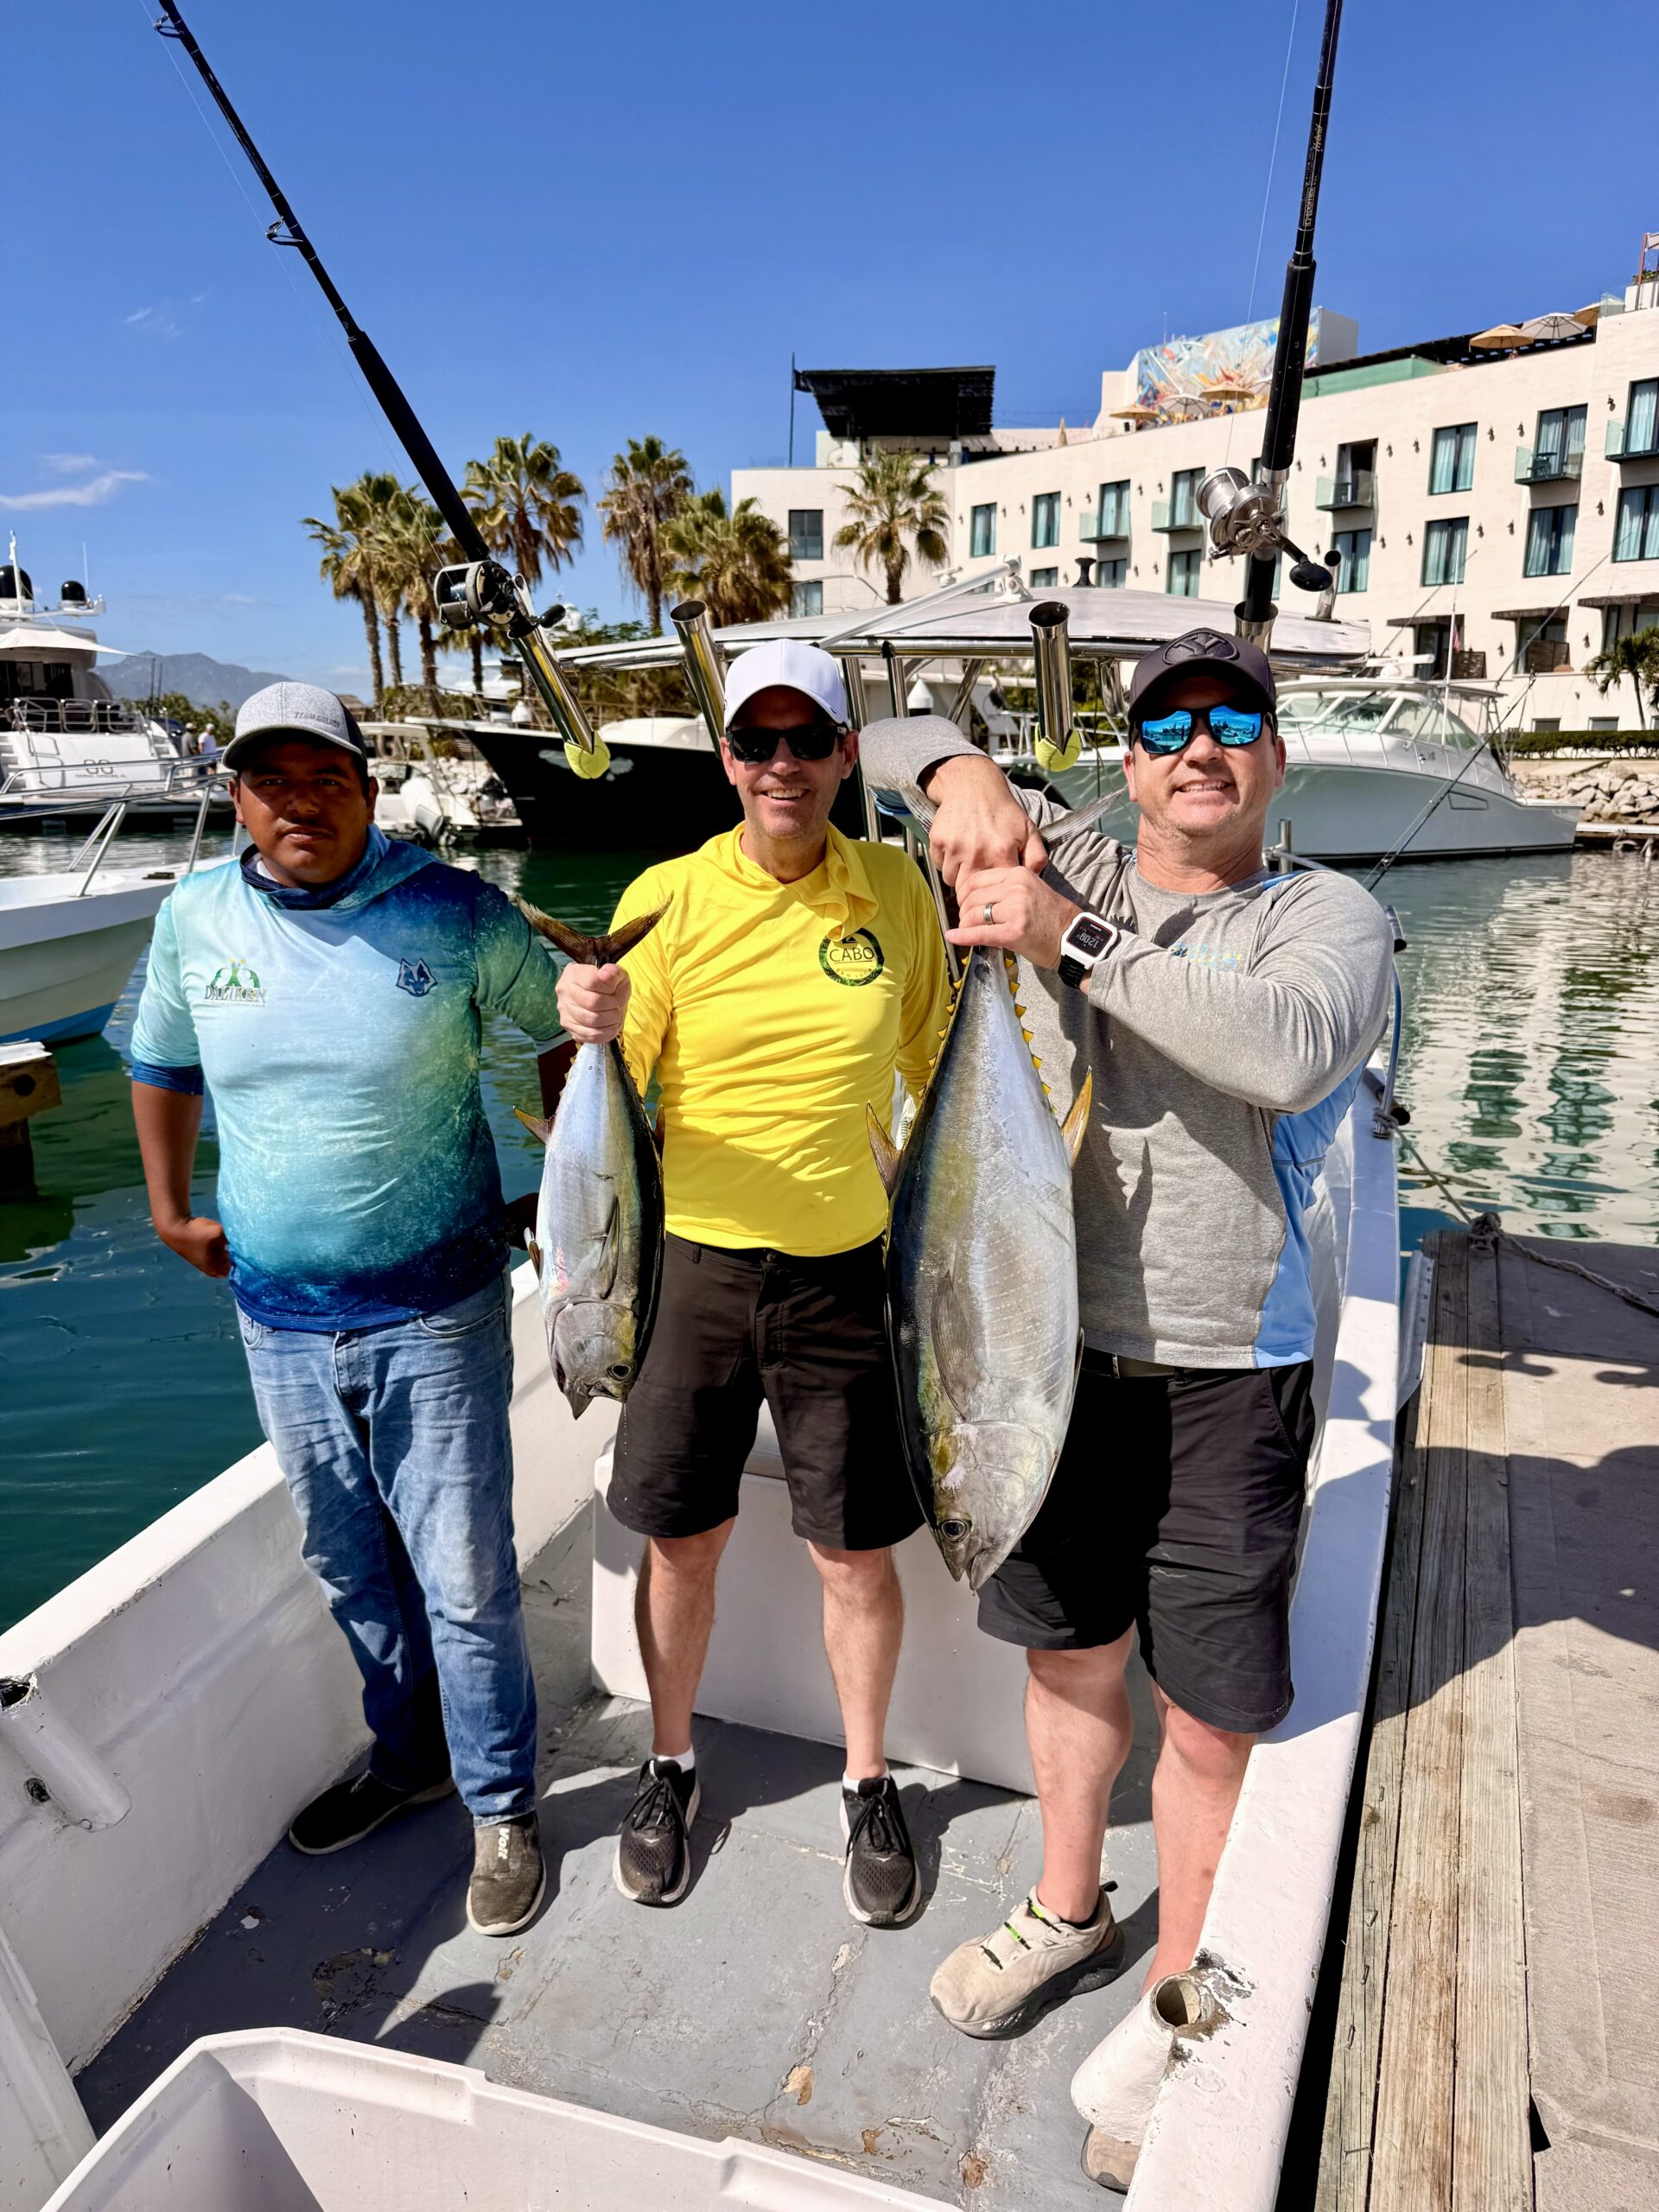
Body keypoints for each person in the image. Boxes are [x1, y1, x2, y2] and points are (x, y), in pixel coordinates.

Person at [860, 626, 1393, 2191]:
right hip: (1042, 1356)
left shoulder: (1328, 918)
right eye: (1169, 723)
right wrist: (959, 773)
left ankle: (1190, 2007)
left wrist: (1070, 940)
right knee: (1070, 1656)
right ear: (1134, 758)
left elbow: (1287, 1056)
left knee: (1216, 1717)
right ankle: (1071, 1906)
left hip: (1232, 1370)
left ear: (1275, 762)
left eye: (1237, 721)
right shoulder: (1069, 842)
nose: (1200, 745)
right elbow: (888, 735)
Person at [129, 681, 565, 1940]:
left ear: (368, 790)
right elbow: (158, 1063)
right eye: (273, 782)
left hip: (437, 1310)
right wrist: (166, 1210)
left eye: (326, 778)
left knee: (466, 1571)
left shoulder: (451, 906)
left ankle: (499, 1807)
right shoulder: (195, 913)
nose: (301, 804)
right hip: (276, 1317)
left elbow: (564, 1026)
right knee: (346, 1560)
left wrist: (566, 1183)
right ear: (237, 797)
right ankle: (407, 1753)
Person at [556, 639, 951, 1927]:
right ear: (727, 759)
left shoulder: (891, 887)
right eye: (756, 742)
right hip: (694, 1270)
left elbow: (938, 1053)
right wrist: (589, 1038)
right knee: (682, 1536)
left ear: (846, 754)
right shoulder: (667, 893)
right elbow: (625, 1095)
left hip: (847, 1273)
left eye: (806, 741)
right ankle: (668, 1765)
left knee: (854, 1556)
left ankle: (868, 1781)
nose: (781, 765)